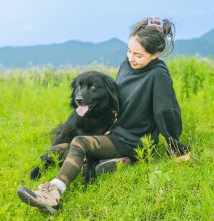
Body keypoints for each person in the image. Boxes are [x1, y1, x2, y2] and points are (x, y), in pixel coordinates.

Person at [16, 17, 190, 214]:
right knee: (61, 147)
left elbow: (166, 113)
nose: (131, 58)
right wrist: (112, 120)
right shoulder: (128, 65)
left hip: (133, 139)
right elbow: (117, 97)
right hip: (116, 131)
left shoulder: (158, 75)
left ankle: (52, 194)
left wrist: (177, 148)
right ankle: (115, 162)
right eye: (129, 51)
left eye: (138, 55)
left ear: (155, 54)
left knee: (80, 143)